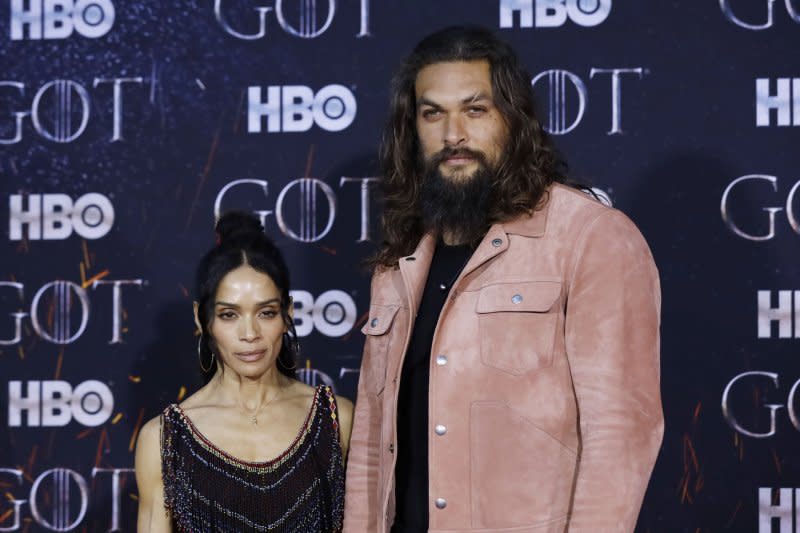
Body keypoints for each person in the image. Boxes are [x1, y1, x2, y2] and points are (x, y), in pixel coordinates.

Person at [343, 26, 663, 533]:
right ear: (412, 129)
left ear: (512, 118)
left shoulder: (591, 238)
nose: (453, 135)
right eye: (433, 114)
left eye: (475, 110)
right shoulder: (400, 259)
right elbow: (370, 443)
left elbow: (622, 434)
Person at [135, 212, 353, 532]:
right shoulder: (165, 440)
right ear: (201, 319)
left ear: (288, 313)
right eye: (228, 315)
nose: (249, 333)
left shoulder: (337, 420)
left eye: (266, 312)